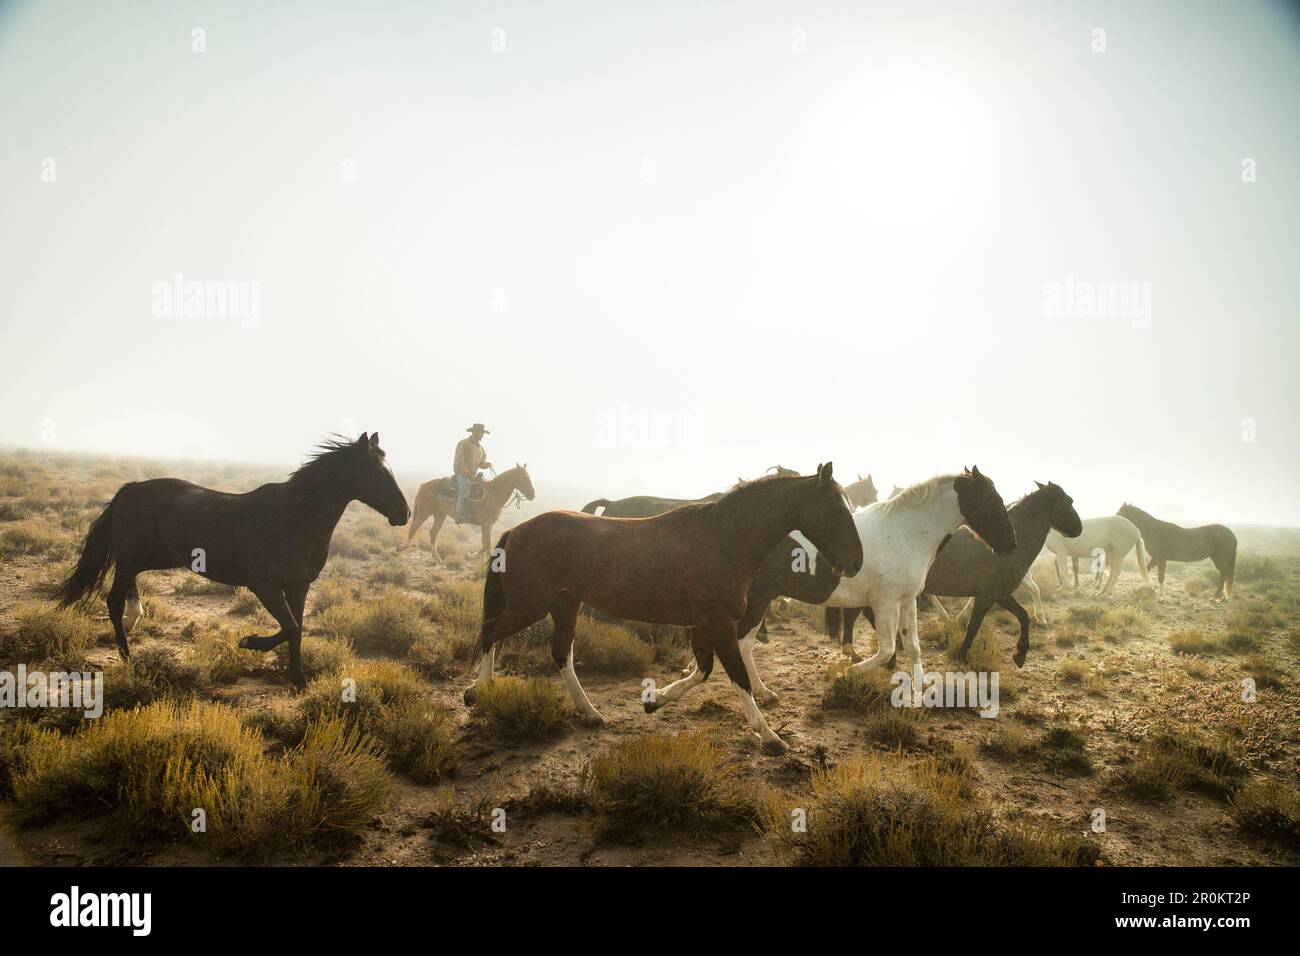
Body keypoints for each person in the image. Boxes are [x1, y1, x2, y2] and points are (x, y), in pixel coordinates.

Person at [453, 423, 493, 523]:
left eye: (483, 433)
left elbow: (481, 464)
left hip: (472, 476)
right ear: (475, 432)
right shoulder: (464, 443)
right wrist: (469, 475)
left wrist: (486, 465)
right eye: (481, 433)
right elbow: (459, 462)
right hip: (462, 474)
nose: (482, 435)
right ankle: (458, 514)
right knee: (465, 487)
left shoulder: (481, 449)